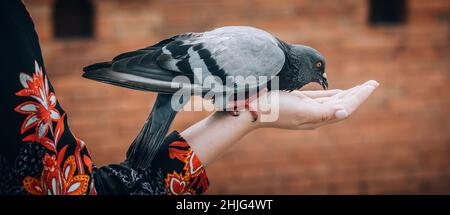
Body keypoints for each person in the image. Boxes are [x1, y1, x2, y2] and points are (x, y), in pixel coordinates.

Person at [0, 0, 378, 195]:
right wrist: (253, 111)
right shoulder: (272, 55)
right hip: (179, 75)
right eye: (317, 68)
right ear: (303, 62)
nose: (319, 76)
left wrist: (251, 112)